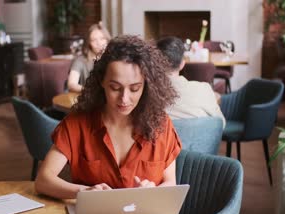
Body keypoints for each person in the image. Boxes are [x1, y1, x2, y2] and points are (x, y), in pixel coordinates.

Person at [36, 35, 182, 199]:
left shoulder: (161, 125)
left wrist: (153, 191)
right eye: (115, 88)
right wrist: (84, 192)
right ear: (101, 81)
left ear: (146, 86)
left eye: (134, 89)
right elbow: (43, 180)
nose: (124, 99)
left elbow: (170, 183)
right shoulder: (77, 124)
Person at [156, 36, 225, 126]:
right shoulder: (204, 90)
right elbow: (221, 124)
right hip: (202, 139)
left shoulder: (146, 94)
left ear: (156, 63)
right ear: (182, 64)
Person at [67, 22, 111, 93]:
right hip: (89, 99)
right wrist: (92, 91)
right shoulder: (81, 60)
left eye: (102, 39)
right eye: (94, 40)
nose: (99, 43)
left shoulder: (113, 59)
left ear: (107, 40)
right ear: (89, 43)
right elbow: (71, 84)